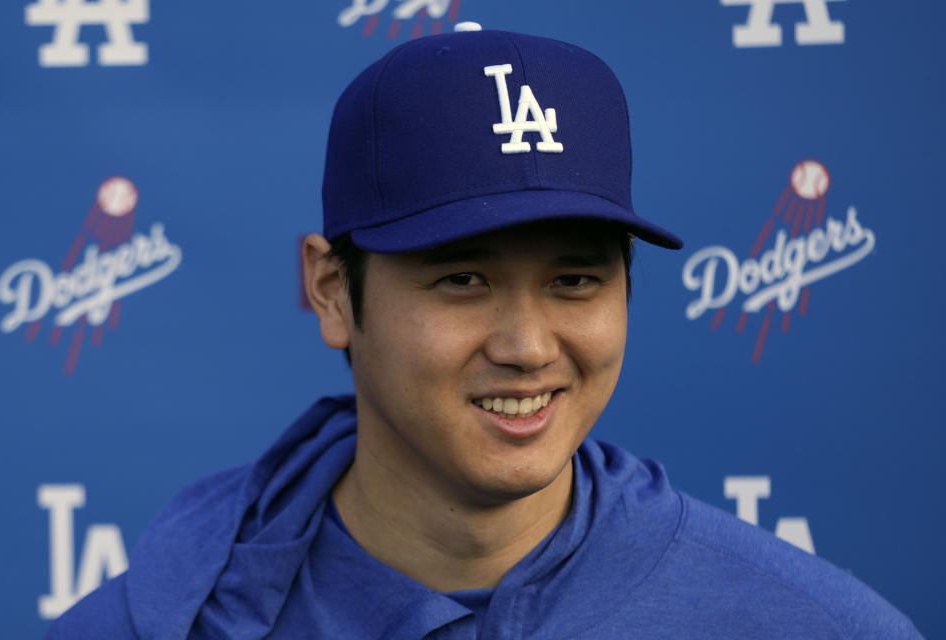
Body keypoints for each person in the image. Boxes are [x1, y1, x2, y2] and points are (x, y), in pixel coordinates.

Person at [48, 24, 922, 640]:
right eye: (462, 278)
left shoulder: (808, 625)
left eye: (575, 280)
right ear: (331, 290)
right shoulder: (153, 623)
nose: (528, 345)